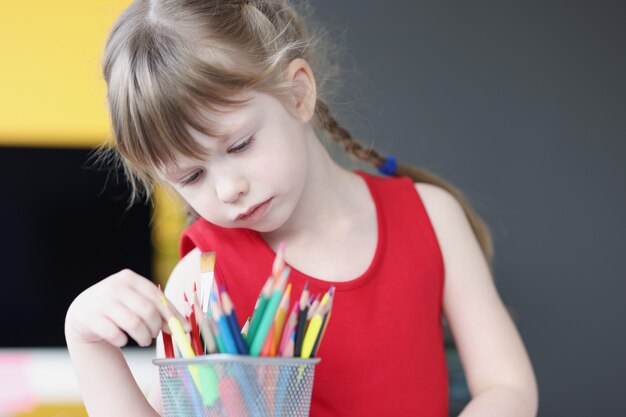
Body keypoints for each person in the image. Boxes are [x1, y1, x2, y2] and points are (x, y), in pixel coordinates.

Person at [64, 1, 538, 416]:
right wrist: (86, 343)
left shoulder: (433, 217)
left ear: (297, 94)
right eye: (190, 177)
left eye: (241, 144)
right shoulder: (204, 280)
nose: (229, 188)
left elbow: (507, 385)